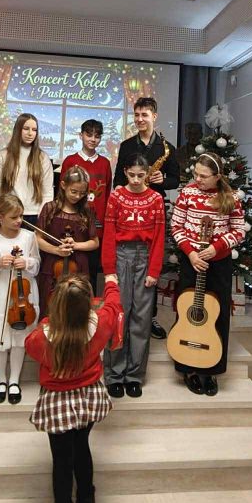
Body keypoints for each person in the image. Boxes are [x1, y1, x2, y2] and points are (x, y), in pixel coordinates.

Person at [25, 273, 122, 503]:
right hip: (90, 397)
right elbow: (113, 304)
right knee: (81, 447)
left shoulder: (40, 338)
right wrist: (111, 282)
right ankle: (87, 501)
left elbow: (30, 344)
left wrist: (51, 319)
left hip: (56, 401)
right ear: (88, 303)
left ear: (56, 304)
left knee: (61, 458)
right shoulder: (102, 323)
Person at [169, 152, 245, 396]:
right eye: (196, 174)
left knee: (217, 314)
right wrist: (191, 253)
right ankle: (187, 367)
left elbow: (239, 231)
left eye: (203, 176)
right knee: (188, 310)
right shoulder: (187, 193)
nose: (198, 179)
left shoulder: (231, 197)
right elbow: (176, 226)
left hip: (218, 264)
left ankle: (212, 369)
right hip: (192, 261)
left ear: (217, 176)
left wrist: (216, 248)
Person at [113, 96, 179, 340]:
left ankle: (149, 317)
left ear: (154, 116)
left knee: (152, 264)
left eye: (145, 115)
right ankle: (125, 314)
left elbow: (175, 180)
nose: (140, 119)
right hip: (130, 212)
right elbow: (118, 180)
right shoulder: (127, 145)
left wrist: (164, 180)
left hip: (154, 210)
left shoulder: (166, 148)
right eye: (137, 115)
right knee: (127, 264)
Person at [101, 155, 166, 399]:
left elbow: (159, 237)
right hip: (121, 257)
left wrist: (154, 271)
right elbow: (109, 234)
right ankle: (115, 375)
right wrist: (109, 270)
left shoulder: (156, 199)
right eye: (132, 175)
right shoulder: (116, 197)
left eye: (141, 175)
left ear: (148, 174)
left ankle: (135, 375)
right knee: (119, 315)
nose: (137, 180)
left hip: (145, 257)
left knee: (141, 319)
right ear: (125, 172)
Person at [0, 192, 40, 405]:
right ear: (0, 217)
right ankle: (0, 380)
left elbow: (37, 264)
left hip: (24, 294)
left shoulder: (29, 237)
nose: (19, 221)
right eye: (14, 217)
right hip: (1, 292)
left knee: (19, 338)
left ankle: (14, 380)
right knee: (0, 338)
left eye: (21, 216)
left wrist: (27, 263)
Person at [35, 166, 100, 314]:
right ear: (63, 185)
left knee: (75, 310)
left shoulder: (86, 211)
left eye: (82, 193)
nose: (77, 196)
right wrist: (56, 250)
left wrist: (76, 245)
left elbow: (95, 242)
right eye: (74, 191)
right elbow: (37, 238)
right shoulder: (50, 208)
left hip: (78, 266)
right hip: (52, 265)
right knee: (49, 305)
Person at [59, 119, 112, 291]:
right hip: (72, 222)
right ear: (80, 135)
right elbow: (62, 193)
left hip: (96, 225)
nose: (93, 139)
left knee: (92, 271)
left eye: (97, 136)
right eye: (89, 135)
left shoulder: (105, 163)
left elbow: (107, 194)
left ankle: (90, 302)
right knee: (71, 268)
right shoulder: (70, 161)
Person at [0, 113, 54, 225]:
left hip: (34, 215)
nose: (30, 133)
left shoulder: (43, 158)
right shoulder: (3, 156)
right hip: (8, 213)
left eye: (34, 130)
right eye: (26, 129)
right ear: (18, 130)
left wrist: (43, 216)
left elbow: (47, 191)